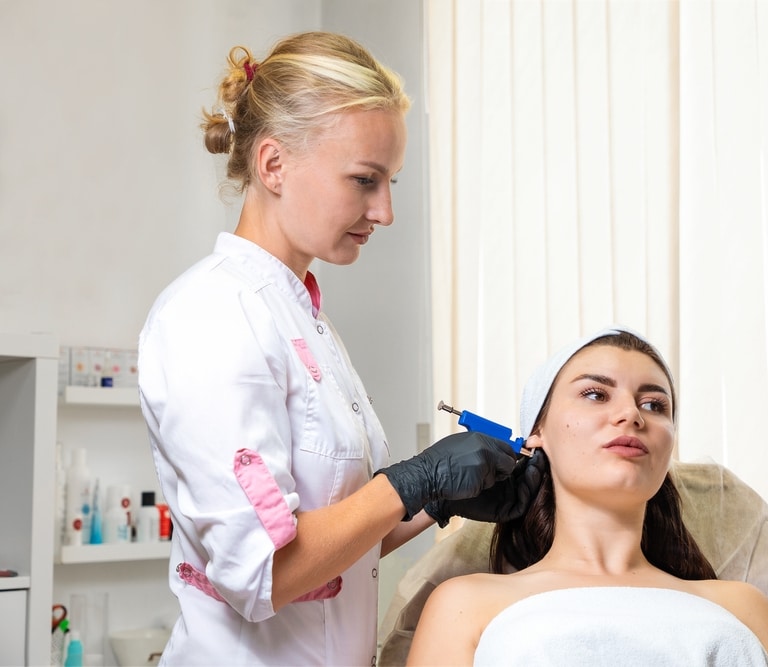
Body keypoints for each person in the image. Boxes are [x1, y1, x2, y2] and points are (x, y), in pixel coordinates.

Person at [137, 31, 544, 666]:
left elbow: (331, 560)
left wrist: (439, 500)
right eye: (364, 180)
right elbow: (262, 573)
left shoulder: (300, 316)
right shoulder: (214, 316)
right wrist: (413, 480)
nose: (384, 211)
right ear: (273, 165)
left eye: (391, 182)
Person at [407, 327, 768, 666]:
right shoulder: (464, 605)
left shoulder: (743, 608)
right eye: (596, 394)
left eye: (654, 404)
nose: (632, 414)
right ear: (536, 432)